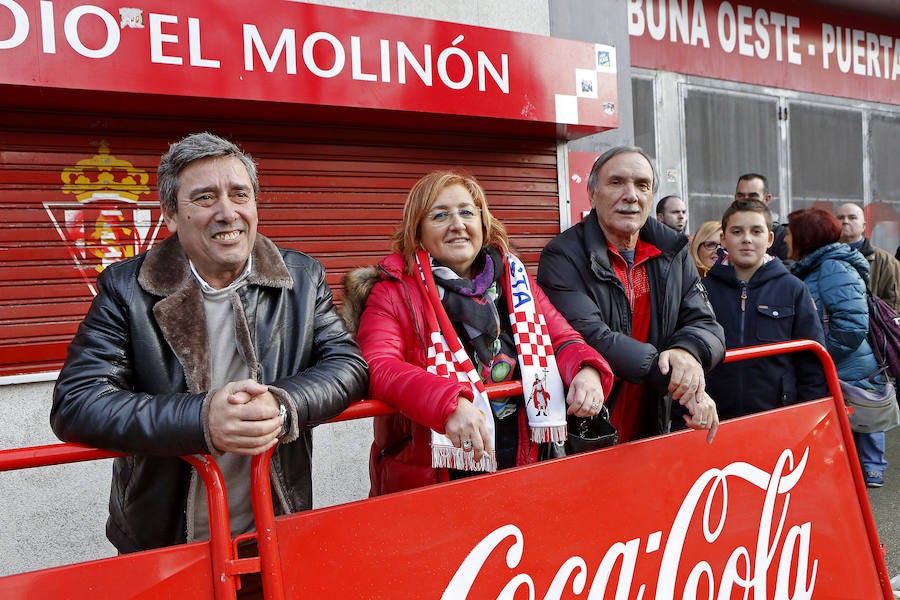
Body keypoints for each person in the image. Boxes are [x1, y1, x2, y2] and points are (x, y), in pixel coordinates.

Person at [51, 133, 369, 560]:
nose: (227, 212)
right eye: (204, 197)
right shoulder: (125, 288)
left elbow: (348, 364)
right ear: (170, 215)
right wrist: (201, 419)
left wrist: (284, 404)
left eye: (240, 194)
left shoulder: (301, 277)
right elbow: (77, 401)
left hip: (274, 528)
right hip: (162, 540)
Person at [342, 170, 614, 495]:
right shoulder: (392, 291)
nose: (457, 224)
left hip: (520, 454)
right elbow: (378, 366)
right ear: (417, 230)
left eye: (467, 212)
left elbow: (563, 339)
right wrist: (447, 403)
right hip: (435, 474)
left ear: (483, 224)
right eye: (440, 214)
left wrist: (586, 369)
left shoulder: (514, 280)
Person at [537, 146, 724, 444]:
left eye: (642, 185)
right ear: (592, 193)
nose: (631, 195)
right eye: (616, 182)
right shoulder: (563, 255)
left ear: (651, 197)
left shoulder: (673, 252)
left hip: (652, 422)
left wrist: (687, 353)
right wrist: (678, 379)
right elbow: (591, 335)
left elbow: (705, 323)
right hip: (587, 426)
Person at [787, 207, 889, 488]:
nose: (785, 240)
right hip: (840, 361)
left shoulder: (832, 267)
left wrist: (822, 354)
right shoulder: (817, 266)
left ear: (805, 238)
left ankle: (871, 469)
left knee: (862, 416)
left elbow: (852, 325)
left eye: (790, 235)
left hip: (847, 361)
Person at [702, 199, 828, 421]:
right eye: (737, 231)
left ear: (769, 239)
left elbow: (812, 363)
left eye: (756, 231)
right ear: (723, 238)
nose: (747, 239)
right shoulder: (703, 291)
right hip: (713, 420)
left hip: (777, 418)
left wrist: (809, 417)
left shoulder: (793, 289)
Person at [836, 202, 900, 312]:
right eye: (840, 218)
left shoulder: (887, 262)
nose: (845, 221)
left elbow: (894, 303)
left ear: (864, 226)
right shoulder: (822, 257)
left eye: (852, 217)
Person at [734, 173, 789, 261]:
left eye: (753, 196)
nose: (746, 201)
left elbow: (791, 267)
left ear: (767, 199)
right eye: (741, 196)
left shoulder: (783, 236)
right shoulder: (726, 232)